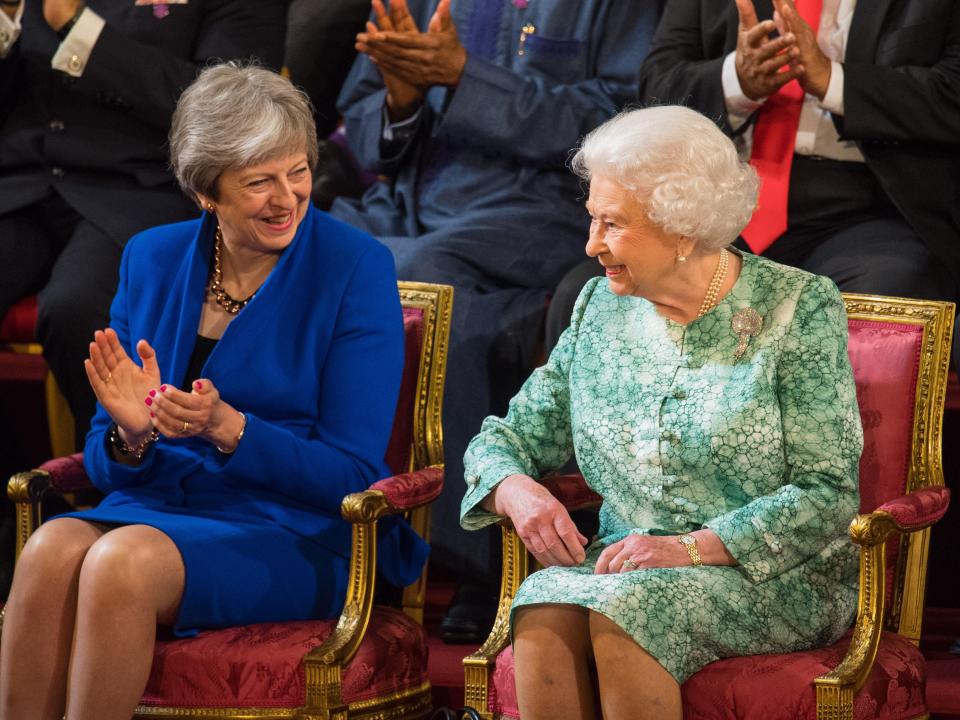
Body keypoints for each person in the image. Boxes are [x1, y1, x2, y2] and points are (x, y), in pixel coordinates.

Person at [0, 63, 428, 720]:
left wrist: (229, 427)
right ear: (207, 193)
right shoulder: (152, 257)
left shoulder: (353, 268)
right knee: (49, 547)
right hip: (157, 502)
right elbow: (101, 458)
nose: (287, 197)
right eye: (259, 182)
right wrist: (130, 433)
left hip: (296, 528)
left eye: (298, 172)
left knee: (119, 560)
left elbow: (351, 472)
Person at [460, 106, 863, 719]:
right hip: (627, 566)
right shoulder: (599, 304)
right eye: (592, 219)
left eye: (612, 225)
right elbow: (509, 437)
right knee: (541, 604)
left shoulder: (798, 307)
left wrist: (693, 548)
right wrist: (515, 489)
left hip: (774, 574)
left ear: (682, 228)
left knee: (629, 612)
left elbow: (827, 492)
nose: (591, 245)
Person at [330, 0, 662, 643]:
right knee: (303, 257)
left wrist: (464, 77)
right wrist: (401, 101)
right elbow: (362, 126)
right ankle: (328, 534)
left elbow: (621, 132)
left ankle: (464, 558)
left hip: (540, 209)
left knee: (421, 278)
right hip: (406, 203)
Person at [546, 0, 960, 355]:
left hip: (869, 204)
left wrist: (833, 80)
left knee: (888, 300)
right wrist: (737, 81)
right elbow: (658, 86)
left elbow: (952, 93)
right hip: (717, 196)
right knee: (584, 295)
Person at [0, 0, 287, 446]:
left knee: (76, 308)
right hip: (25, 184)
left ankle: (103, 485)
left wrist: (80, 30)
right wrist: (8, 19)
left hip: (137, 190)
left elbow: (229, 110)